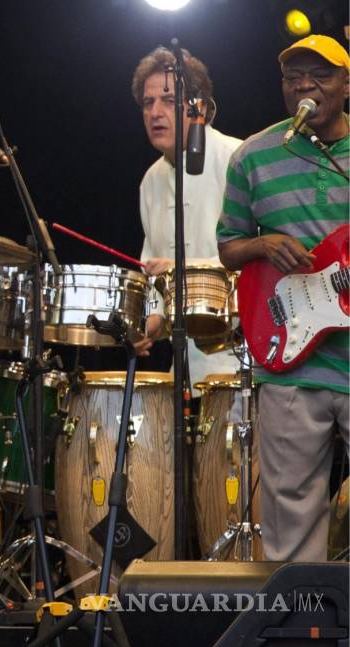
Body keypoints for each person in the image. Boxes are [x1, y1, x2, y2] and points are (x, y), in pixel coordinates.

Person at [216, 34, 349, 562]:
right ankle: (302, 633)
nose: (304, 86)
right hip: (291, 358)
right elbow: (228, 248)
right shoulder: (253, 156)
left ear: (346, 84)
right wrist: (263, 243)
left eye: (319, 75)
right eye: (293, 77)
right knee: (290, 517)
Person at [130, 46, 243, 387]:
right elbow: (154, 277)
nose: (155, 112)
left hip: (244, 356)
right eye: (148, 103)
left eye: (168, 99)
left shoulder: (237, 158)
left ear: (200, 109)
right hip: (186, 366)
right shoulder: (150, 180)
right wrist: (145, 327)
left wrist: (184, 271)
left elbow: (257, 253)